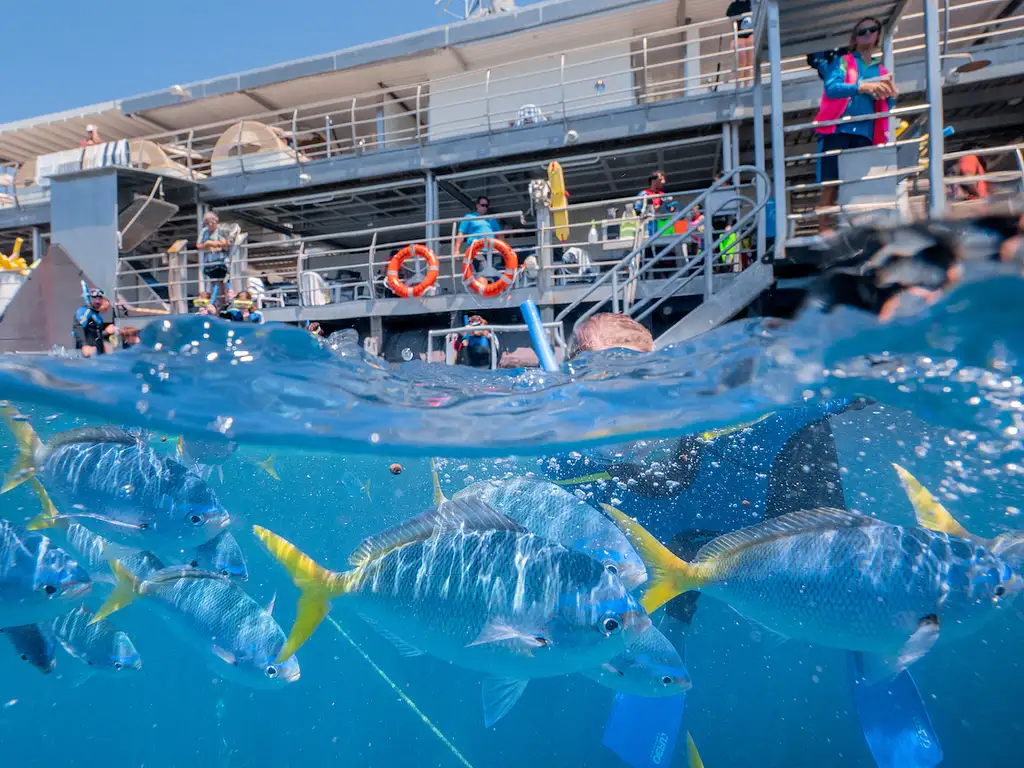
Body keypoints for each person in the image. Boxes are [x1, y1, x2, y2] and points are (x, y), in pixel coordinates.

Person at [814, 17, 897, 233]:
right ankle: (825, 229)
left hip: (864, 133)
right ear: (854, 38)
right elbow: (832, 88)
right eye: (862, 32)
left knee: (856, 183)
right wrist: (863, 86)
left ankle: (853, 227)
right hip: (838, 129)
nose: (868, 34)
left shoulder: (880, 70)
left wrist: (891, 96)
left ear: (878, 34)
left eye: (872, 30)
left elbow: (886, 105)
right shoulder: (843, 61)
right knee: (831, 182)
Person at [453, 197, 502, 272]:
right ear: (477, 205)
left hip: (490, 251)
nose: (485, 207)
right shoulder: (469, 217)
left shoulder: (491, 219)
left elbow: (499, 235)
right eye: (483, 205)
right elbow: (461, 233)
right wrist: (456, 250)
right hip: (476, 250)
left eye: (486, 206)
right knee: (484, 269)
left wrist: (501, 249)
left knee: (489, 272)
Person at [196, 212, 236, 298]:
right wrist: (207, 245)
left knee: (226, 282)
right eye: (207, 223)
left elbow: (229, 242)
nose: (209, 225)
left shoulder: (222, 229)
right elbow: (199, 245)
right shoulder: (204, 231)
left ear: (216, 221)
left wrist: (211, 243)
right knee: (216, 284)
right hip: (211, 262)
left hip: (223, 260)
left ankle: (229, 300)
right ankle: (221, 304)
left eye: (211, 222)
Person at [73, 288, 114, 358]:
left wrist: (106, 333)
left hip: (97, 354)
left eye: (100, 298)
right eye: (94, 298)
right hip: (87, 354)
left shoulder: (98, 315)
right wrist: (84, 345)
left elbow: (96, 335)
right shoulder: (84, 311)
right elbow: (78, 328)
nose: (97, 301)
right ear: (89, 298)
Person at [725, 0, 754, 87]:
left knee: (749, 61)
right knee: (741, 61)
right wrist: (741, 16)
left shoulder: (751, 3)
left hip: (750, 34)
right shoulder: (734, 6)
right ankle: (738, 85)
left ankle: (747, 84)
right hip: (740, 36)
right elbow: (730, 16)